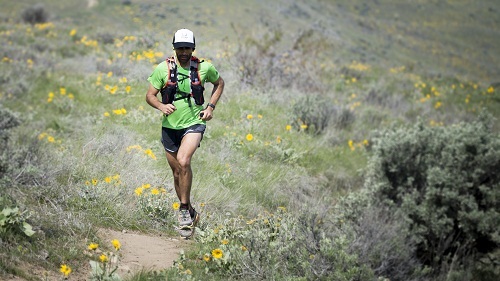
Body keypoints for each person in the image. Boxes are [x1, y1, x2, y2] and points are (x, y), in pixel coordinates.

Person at [145, 28, 224, 233]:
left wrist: (210, 107)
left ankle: (182, 211)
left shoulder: (204, 68)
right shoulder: (163, 69)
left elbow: (219, 83)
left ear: (193, 48)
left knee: (184, 161)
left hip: (194, 123)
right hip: (169, 127)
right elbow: (150, 95)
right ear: (174, 48)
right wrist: (161, 106)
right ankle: (190, 212)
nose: (183, 52)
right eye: (180, 48)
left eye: (187, 48)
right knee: (177, 172)